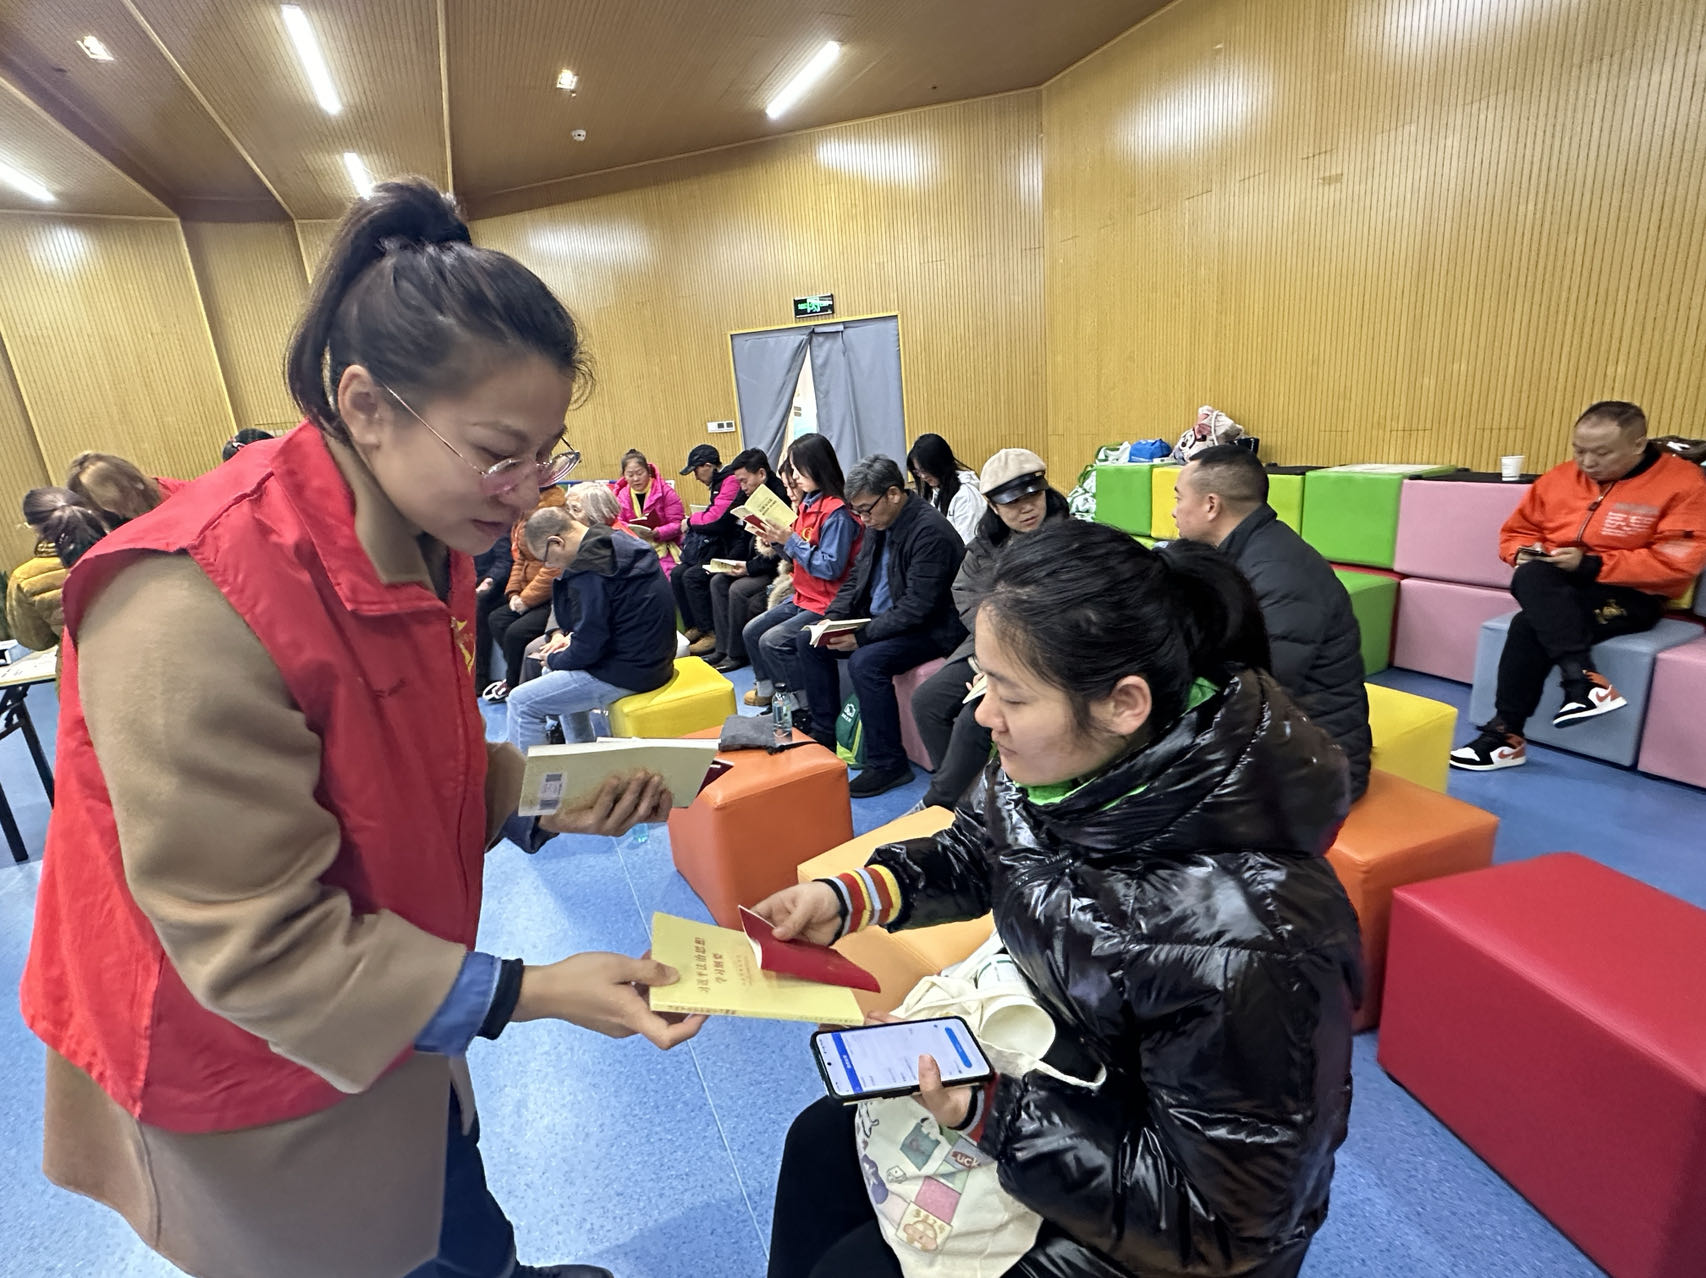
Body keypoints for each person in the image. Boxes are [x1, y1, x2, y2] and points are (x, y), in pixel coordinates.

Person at [18, 179, 703, 1278]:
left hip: (372, 980)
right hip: (239, 1033)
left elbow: (399, 761)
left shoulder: (431, 532)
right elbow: (253, 938)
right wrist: (527, 990)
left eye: (549, 453)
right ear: (367, 405)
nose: (530, 491)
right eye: (498, 452)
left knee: (444, 1188)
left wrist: (544, 797)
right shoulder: (194, 595)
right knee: (353, 1240)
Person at [755, 520, 1362, 1278]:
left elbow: (1221, 1227)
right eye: (982, 680)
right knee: (819, 1143)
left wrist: (990, 1111)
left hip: (1149, 1237)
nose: (980, 714)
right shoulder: (1064, 766)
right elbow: (985, 842)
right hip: (1053, 1083)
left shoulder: (1257, 940)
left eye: (1007, 693)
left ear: (1124, 703)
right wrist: (856, 895)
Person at [1451, 400, 1706, 771]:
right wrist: (1522, 552)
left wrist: (1591, 564)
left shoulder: (1682, 484)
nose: (1587, 462)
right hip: (1558, 585)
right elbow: (1518, 531)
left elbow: (1677, 562)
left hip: (1633, 596)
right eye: (1579, 450)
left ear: (1638, 444)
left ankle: (1505, 735)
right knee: (1530, 573)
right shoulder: (1559, 478)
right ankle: (1582, 682)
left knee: (1527, 625)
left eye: (1601, 452)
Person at [1173, 444, 1372, 800]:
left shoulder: (1279, 575)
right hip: (1276, 740)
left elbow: (1261, 690)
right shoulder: (1238, 556)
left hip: (1318, 765)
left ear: (1210, 505)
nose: (1174, 512)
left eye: (1178, 498)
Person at [797, 455, 967, 798]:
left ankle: (889, 764)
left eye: (866, 509)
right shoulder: (879, 523)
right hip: (887, 617)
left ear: (892, 494)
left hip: (934, 629)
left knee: (866, 662)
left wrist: (861, 637)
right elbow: (857, 578)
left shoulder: (929, 532)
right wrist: (833, 618)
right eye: (857, 510)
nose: (862, 518)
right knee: (809, 640)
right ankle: (824, 732)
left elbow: (918, 608)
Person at [910, 449, 1070, 811]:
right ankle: (962, 790)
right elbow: (963, 592)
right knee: (927, 700)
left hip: (1043, 650)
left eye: (1034, 495)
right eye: (1013, 502)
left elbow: (1072, 611)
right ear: (994, 507)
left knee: (973, 717)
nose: (1027, 508)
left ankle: (942, 803)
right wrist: (993, 645)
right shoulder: (986, 543)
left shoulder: (1071, 538)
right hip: (987, 642)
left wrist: (1006, 657)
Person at [504, 505, 675, 752]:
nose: (550, 566)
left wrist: (554, 657)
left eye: (546, 559)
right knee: (550, 674)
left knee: (521, 702)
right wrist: (566, 647)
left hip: (630, 671)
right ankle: (581, 752)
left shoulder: (591, 569)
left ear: (557, 542)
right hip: (654, 659)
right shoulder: (615, 541)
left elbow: (590, 648)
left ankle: (529, 786)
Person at [742, 434, 861, 709]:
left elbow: (830, 567)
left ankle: (801, 707)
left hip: (827, 601)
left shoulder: (837, 513)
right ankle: (769, 693)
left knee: (773, 642)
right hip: (804, 596)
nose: (793, 478)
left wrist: (790, 541)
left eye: (797, 470)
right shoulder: (807, 505)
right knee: (751, 631)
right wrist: (776, 541)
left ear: (817, 466)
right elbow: (798, 559)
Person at [706, 447, 790, 673]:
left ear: (761, 474)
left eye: (744, 481)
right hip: (753, 562)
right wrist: (731, 563)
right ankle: (722, 648)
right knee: (718, 581)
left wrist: (748, 568)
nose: (742, 487)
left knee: (739, 590)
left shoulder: (780, 499)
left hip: (774, 568)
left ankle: (736, 653)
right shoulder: (749, 496)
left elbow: (780, 551)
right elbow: (743, 538)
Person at [483, 481, 568, 700]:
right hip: (527, 591)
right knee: (497, 618)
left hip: (548, 595)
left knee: (516, 632)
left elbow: (552, 568)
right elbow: (520, 558)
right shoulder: (523, 513)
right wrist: (513, 593)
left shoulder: (550, 515)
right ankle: (517, 674)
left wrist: (527, 599)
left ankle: (515, 684)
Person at [6, 488, 109, 651]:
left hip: (78, 667)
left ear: (32, 527)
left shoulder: (25, 577)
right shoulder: (119, 551)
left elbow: (35, 641)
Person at [672, 443, 745, 648]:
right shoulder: (718, 484)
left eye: (695, 470)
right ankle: (694, 625)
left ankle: (709, 631)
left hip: (730, 549)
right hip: (719, 545)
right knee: (678, 574)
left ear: (707, 465)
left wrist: (691, 520)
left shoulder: (729, 481)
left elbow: (716, 521)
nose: (695, 476)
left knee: (693, 576)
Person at [610, 448, 685, 577]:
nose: (636, 479)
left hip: (664, 547)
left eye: (639, 473)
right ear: (624, 476)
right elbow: (618, 522)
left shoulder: (666, 492)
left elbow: (678, 523)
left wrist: (658, 532)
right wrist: (631, 531)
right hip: (633, 547)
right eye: (630, 475)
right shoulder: (621, 495)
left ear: (648, 472)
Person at [905, 433, 981, 543]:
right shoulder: (935, 492)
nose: (922, 476)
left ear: (939, 464)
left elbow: (969, 545)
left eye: (924, 470)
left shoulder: (966, 496)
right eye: (918, 472)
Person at [65, 450, 176, 520]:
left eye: (124, 499)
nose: (119, 511)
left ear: (135, 482)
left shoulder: (179, 494)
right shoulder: (109, 518)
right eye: (106, 504)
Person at [472, 523, 514, 691]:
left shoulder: (495, 527)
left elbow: (504, 562)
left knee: (477, 606)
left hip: (492, 587)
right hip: (462, 583)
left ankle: (478, 679)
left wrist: (488, 581)